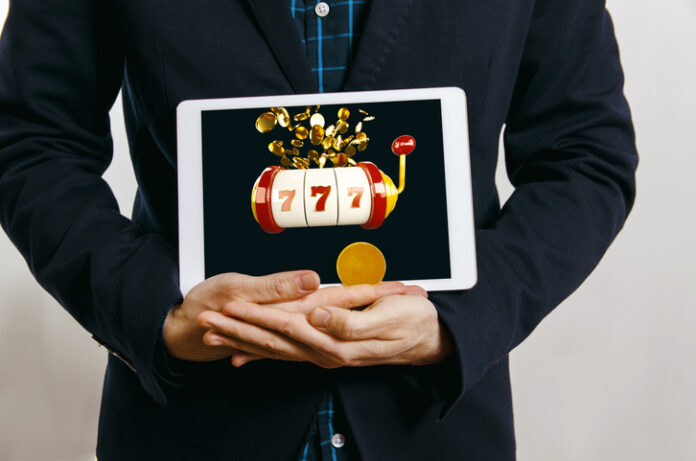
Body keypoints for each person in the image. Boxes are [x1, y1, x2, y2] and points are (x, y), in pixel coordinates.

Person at [0, 0, 638, 460]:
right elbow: (30, 143)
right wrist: (156, 313)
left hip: (434, 428)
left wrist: (458, 320)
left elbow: (583, 154)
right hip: (191, 428)